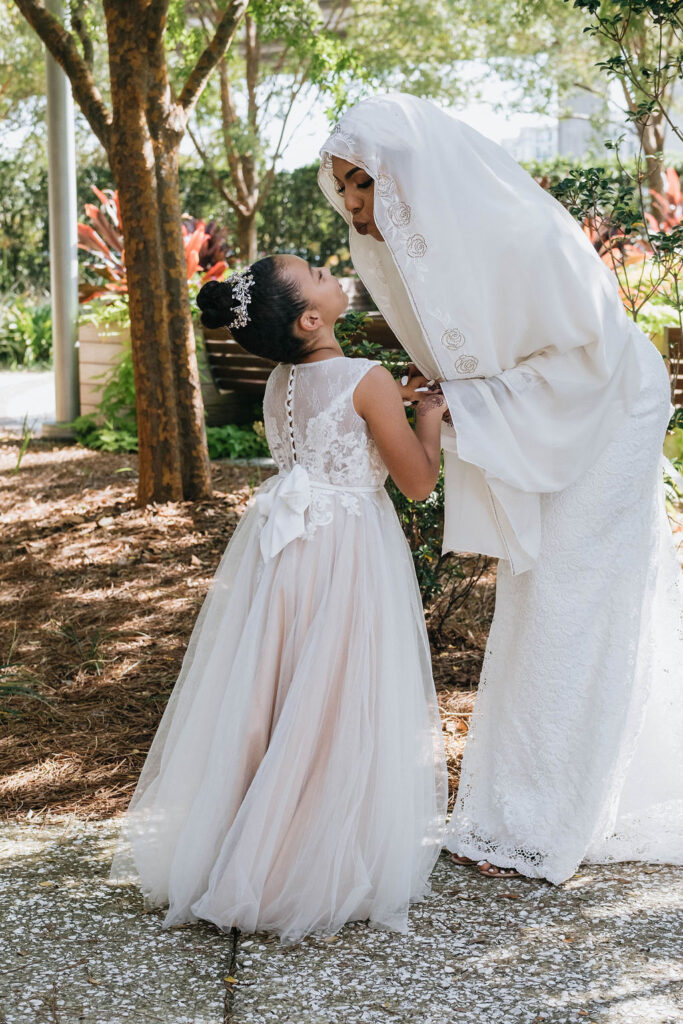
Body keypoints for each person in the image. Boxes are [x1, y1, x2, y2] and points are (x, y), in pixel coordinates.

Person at [318, 92, 683, 883]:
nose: (350, 203)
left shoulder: (514, 231)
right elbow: (485, 356)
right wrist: (451, 387)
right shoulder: (421, 248)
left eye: (364, 183)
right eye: (342, 186)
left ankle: (538, 821)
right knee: (538, 600)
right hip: (553, 419)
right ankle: (522, 809)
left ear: (408, 175)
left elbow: (582, 348)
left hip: (607, 411)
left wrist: (467, 398)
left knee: (573, 603)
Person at [108, 253, 448, 944]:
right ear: (311, 317)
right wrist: (430, 419)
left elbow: (330, 435)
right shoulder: (367, 377)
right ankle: (304, 856)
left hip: (288, 553)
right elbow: (414, 483)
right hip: (348, 549)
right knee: (334, 693)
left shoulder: (281, 378)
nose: (329, 271)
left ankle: (247, 839)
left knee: (276, 688)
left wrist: (392, 404)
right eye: (317, 274)